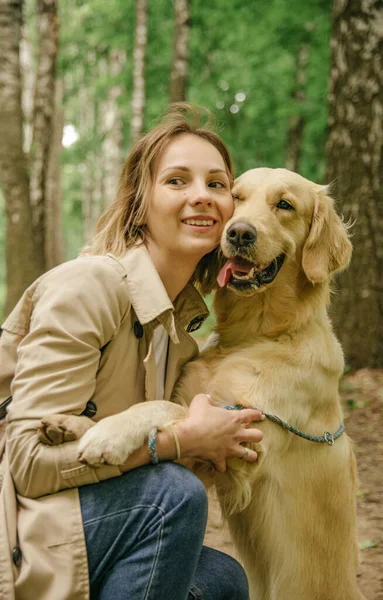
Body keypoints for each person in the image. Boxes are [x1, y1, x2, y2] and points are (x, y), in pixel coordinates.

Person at [0, 104, 264, 600]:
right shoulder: (90, 286)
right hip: (19, 532)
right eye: (177, 181)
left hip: (76, 525)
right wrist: (180, 441)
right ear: (140, 203)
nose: (202, 197)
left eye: (217, 184)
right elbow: (28, 464)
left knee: (222, 581)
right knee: (171, 498)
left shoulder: (181, 334)